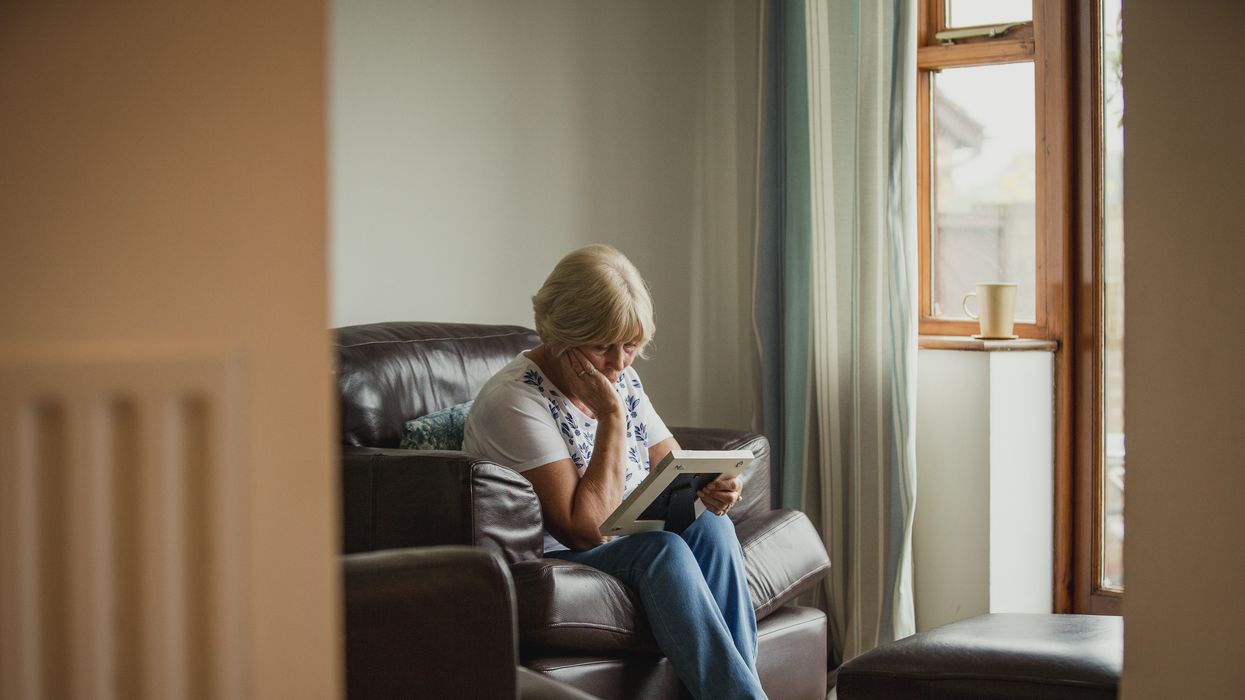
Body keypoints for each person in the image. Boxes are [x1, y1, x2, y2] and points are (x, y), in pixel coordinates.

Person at [463, 244, 766, 700]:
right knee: (662, 551)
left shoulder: (619, 377)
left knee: (714, 529)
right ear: (561, 335)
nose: (620, 363)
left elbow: (673, 469)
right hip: (553, 556)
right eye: (603, 346)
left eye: (630, 345)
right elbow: (584, 530)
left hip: (623, 539)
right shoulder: (515, 401)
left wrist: (712, 488)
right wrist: (611, 418)